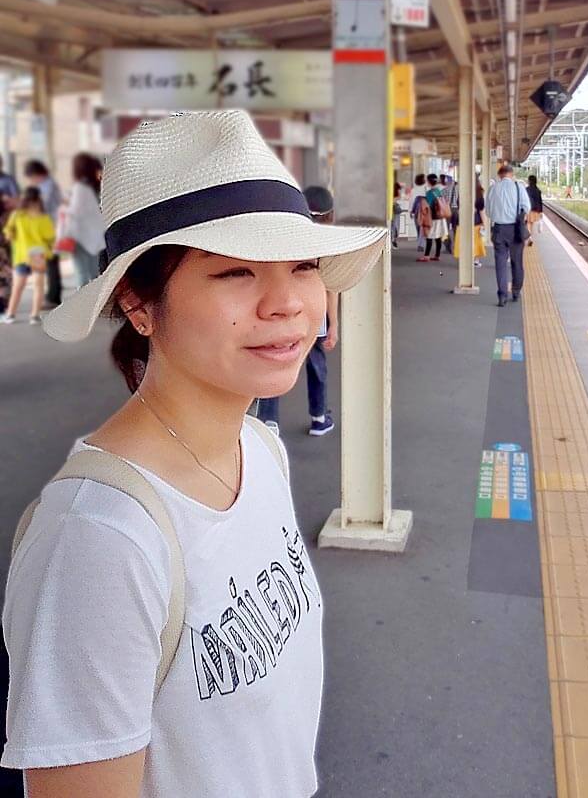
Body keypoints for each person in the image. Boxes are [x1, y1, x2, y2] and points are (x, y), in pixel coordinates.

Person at [2, 110, 385, 797]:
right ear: (139, 304)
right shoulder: (99, 539)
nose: (287, 303)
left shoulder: (259, 448)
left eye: (302, 265)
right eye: (235, 271)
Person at [256, 185, 340, 437]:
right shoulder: (326, 245)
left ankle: (268, 421)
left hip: (282, 315)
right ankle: (319, 417)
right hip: (315, 318)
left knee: (273, 363)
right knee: (317, 366)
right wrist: (334, 325)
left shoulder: (284, 240)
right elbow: (331, 289)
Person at [2, 185, 55, 324]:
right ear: (38, 199)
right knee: (38, 285)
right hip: (38, 254)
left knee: (18, 286)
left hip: (22, 255)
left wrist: (11, 236)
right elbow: (50, 237)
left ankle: (10, 314)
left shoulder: (17, 215)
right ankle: (34, 316)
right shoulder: (43, 217)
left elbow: (8, 232)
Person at [485, 163, 530, 307]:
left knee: (500, 263)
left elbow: (488, 212)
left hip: (498, 229)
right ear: (512, 174)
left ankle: (502, 295)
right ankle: (516, 292)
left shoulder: (493, 188)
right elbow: (527, 207)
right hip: (515, 230)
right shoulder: (519, 187)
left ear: (499, 175)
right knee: (517, 262)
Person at [23, 158, 62, 307]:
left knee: (51, 263)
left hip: (50, 227)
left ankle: (53, 297)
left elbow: (43, 206)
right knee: (50, 262)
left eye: (32, 177)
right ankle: (52, 295)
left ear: (37, 174)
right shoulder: (47, 184)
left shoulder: (48, 185)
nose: (32, 180)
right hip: (48, 227)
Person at [63, 152, 106, 287]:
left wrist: (64, 209)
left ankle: (83, 299)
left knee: (82, 273)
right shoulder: (98, 186)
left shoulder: (80, 188)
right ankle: (95, 298)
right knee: (94, 273)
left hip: (80, 236)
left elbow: (76, 212)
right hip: (95, 235)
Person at [453, 174, 486, 268]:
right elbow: (481, 210)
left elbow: (459, 207)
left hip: (462, 221)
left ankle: (464, 260)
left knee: (463, 241)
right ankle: (475, 260)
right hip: (476, 221)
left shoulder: (462, 192)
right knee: (476, 241)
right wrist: (484, 223)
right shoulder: (479, 193)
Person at [0, 157, 18, 315]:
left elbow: (16, 202)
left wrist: (6, 201)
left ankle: (5, 300)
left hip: (6, 225)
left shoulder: (8, 180)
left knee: (5, 265)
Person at [423, 172, 447, 262]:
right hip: (440, 217)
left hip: (432, 218)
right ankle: (437, 255)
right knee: (438, 236)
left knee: (429, 236)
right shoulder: (438, 191)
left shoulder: (429, 193)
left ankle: (426, 255)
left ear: (429, 182)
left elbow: (428, 206)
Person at [409, 172, 428, 254]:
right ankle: (421, 243)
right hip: (424, 211)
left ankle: (420, 243)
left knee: (418, 227)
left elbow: (411, 201)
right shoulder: (426, 189)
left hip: (416, 211)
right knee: (422, 228)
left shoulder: (414, 190)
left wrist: (410, 211)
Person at [440, 175, 459, 254]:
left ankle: (448, 247)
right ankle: (456, 246)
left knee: (446, 229)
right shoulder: (458, 189)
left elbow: (441, 200)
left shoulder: (444, 190)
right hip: (456, 210)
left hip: (447, 210)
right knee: (456, 229)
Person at [526, 174, 544, 241]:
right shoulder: (538, 190)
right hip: (536, 210)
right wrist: (541, 211)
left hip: (528, 209)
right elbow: (540, 201)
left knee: (528, 223)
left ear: (529, 181)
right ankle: (530, 236)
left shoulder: (527, 189)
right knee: (531, 223)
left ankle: (529, 236)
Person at [391, 181, 402, 248]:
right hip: (395, 210)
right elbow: (399, 197)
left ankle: (393, 239)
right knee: (396, 226)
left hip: (392, 210)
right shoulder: (397, 195)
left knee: (392, 225)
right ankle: (393, 240)